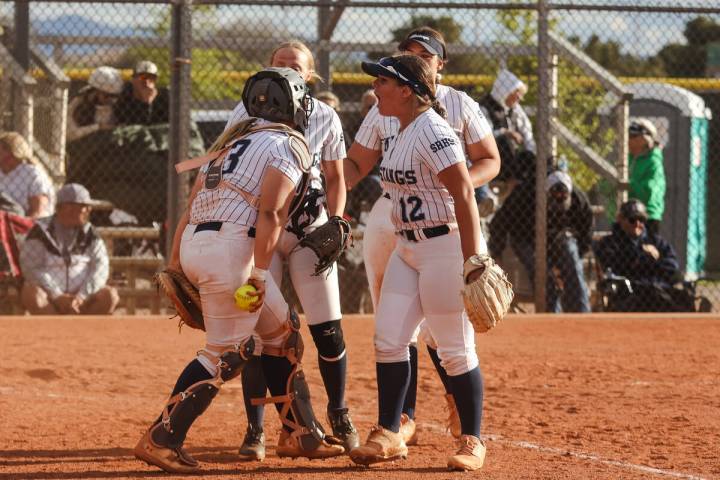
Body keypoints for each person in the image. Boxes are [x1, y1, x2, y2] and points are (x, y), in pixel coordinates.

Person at [133, 68, 344, 474]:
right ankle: (163, 439)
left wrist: (178, 260)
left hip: (202, 243)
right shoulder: (291, 143)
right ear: (295, 106)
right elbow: (271, 211)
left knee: (282, 333)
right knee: (226, 353)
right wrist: (261, 275)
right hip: (233, 253)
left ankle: (301, 434)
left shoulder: (231, 141)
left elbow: (193, 201)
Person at [343, 26, 500, 448]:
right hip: (407, 246)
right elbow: (355, 166)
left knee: (454, 348)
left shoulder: (434, 130)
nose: (374, 88)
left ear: (408, 90)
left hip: (442, 248)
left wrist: (472, 261)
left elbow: (465, 194)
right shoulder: (395, 124)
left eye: (383, 81)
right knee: (389, 339)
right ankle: (391, 430)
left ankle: (472, 439)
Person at [223, 40, 357, 459]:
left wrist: (336, 220)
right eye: (280, 65)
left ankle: (338, 414)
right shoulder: (246, 111)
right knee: (261, 335)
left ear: (310, 76)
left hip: (307, 228)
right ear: (267, 68)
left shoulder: (324, 116)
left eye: (296, 67)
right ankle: (256, 429)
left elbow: (336, 178)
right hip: (262, 232)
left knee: (327, 330)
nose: (287, 71)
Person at [488, 170, 592, 313]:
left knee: (573, 262)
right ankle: (551, 317)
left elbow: (586, 232)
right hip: (525, 238)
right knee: (544, 276)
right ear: (545, 193)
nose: (559, 201)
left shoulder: (578, 199)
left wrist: (576, 256)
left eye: (563, 199)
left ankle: (580, 315)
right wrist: (497, 252)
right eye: (555, 198)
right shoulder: (524, 196)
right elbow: (498, 222)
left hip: (559, 237)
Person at [18, 183, 119, 315]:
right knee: (31, 293)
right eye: (84, 206)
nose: (89, 210)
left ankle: (84, 330)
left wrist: (82, 296)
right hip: (51, 301)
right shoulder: (40, 231)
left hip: (83, 300)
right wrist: (57, 295)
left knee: (110, 295)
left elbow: (100, 268)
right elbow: (31, 268)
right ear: (67, 208)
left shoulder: (90, 234)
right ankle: (54, 331)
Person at [594, 199, 696, 312]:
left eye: (641, 220)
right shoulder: (609, 243)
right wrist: (641, 255)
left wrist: (656, 259)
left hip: (659, 287)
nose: (637, 224)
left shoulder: (655, 241)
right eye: (632, 220)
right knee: (654, 294)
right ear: (621, 220)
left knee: (683, 293)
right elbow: (616, 266)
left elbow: (672, 266)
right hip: (630, 292)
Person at [478, 69, 536, 189]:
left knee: (530, 155)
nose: (519, 99)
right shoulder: (485, 107)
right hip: (494, 153)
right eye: (516, 94)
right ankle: (508, 182)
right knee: (505, 140)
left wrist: (530, 149)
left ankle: (519, 183)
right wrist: (506, 132)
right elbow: (483, 135)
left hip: (513, 158)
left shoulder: (513, 108)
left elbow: (527, 130)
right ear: (506, 92)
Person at [0, 132, 55, 219]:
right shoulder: (2, 173)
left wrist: (23, 227)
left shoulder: (32, 173)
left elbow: (38, 211)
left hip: (26, 225)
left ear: (11, 153)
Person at [628, 118, 665, 237]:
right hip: (626, 215)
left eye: (633, 136)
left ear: (644, 139)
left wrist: (627, 185)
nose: (628, 139)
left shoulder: (653, 162)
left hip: (647, 216)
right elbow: (605, 185)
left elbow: (648, 192)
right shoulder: (627, 158)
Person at [66, 66, 124, 142]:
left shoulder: (116, 106)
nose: (111, 100)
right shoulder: (77, 103)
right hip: (79, 146)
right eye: (107, 95)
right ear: (95, 91)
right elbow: (70, 135)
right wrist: (98, 127)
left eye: (114, 96)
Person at [114, 60, 170, 126]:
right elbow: (138, 128)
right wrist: (146, 103)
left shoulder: (165, 98)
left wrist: (148, 102)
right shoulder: (125, 101)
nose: (147, 81)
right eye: (143, 77)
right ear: (133, 79)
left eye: (152, 77)